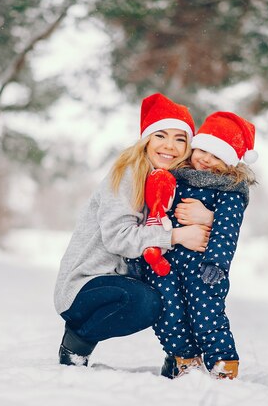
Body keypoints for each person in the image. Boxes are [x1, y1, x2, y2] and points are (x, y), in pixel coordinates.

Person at [54, 93, 212, 367]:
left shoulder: (172, 181)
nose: (169, 146)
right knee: (145, 303)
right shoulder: (129, 173)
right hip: (85, 286)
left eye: (180, 139)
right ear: (147, 139)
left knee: (180, 289)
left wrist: (208, 216)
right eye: (161, 136)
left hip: (124, 279)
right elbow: (118, 238)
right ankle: (77, 341)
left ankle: (181, 357)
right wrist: (176, 236)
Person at [142, 111, 258, 380]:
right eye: (202, 150)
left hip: (204, 267)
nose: (205, 159)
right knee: (168, 313)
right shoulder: (176, 177)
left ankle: (223, 362)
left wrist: (217, 262)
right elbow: (159, 211)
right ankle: (186, 359)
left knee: (206, 316)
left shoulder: (229, 190)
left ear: (229, 162)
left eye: (216, 155)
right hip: (167, 265)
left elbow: (227, 231)